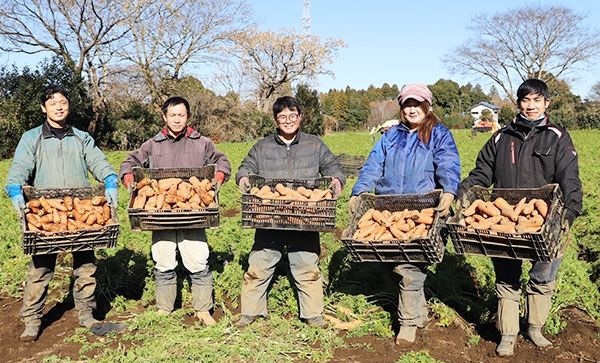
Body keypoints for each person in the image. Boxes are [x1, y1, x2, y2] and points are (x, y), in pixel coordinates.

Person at [458, 78, 582, 357]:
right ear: (518, 104)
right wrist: (463, 192)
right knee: (507, 277)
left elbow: (569, 177)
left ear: (546, 103)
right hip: (504, 219)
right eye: (526, 100)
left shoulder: (557, 136)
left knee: (543, 275)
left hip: (545, 220)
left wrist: (570, 211)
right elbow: (481, 173)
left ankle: (534, 328)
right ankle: (508, 333)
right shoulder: (501, 137)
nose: (531, 106)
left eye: (537, 100)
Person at [5, 86, 120, 342]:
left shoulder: (81, 137)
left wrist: (109, 179)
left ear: (68, 106)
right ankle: (32, 320)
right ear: (43, 108)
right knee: (40, 268)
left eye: (63, 102)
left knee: (87, 266)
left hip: (80, 211)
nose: (59, 106)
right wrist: (15, 188)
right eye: (52, 102)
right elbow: (20, 168)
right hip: (46, 212)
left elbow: (97, 161)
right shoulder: (32, 138)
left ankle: (86, 314)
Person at [349, 83, 461, 344]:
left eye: (416, 104)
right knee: (394, 263)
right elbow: (373, 164)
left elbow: (448, 162)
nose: (411, 109)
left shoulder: (438, 134)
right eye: (407, 105)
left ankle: (408, 323)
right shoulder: (390, 136)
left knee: (409, 265)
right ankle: (418, 313)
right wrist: (359, 190)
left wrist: (448, 190)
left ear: (427, 106)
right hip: (389, 208)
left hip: (422, 208)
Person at [235, 96, 345, 328]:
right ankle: (251, 311)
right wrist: (244, 178)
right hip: (270, 215)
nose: (288, 121)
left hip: (305, 216)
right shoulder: (262, 146)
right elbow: (246, 166)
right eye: (282, 116)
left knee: (306, 264)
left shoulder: (314, 144)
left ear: (300, 117)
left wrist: (336, 181)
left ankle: (312, 314)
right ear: (276, 120)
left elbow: (332, 166)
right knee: (260, 262)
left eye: (292, 116)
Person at [119, 96, 231, 325]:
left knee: (198, 258)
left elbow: (222, 160)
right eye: (172, 115)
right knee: (163, 258)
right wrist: (129, 178)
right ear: (165, 117)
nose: (177, 119)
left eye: (181, 115)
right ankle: (164, 307)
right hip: (161, 214)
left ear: (187, 117)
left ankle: (202, 309)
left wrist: (218, 176)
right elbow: (130, 161)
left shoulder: (202, 143)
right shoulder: (153, 144)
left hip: (194, 212)